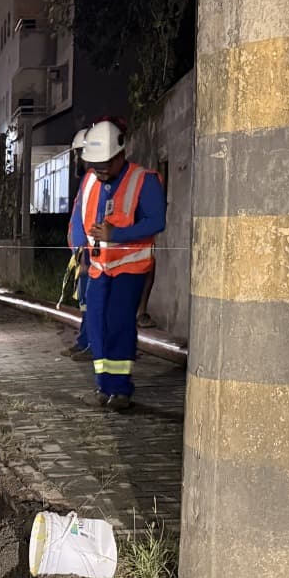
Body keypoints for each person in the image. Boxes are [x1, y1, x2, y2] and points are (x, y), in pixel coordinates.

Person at [75, 120, 165, 411]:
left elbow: (156, 221)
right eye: (94, 163)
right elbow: (80, 215)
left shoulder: (143, 180)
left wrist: (117, 235)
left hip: (129, 268)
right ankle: (103, 384)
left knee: (119, 324)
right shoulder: (90, 180)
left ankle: (120, 388)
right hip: (98, 267)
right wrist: (78, 247)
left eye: (105, 164)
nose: (99, 169)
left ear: (120, 155)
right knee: (97, 326)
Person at [66, 125, 94, 361]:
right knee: (85, 302)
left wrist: (85, 255)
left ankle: (92, 344)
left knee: (92, 302)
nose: (76, 159)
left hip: (90, 255)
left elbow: (90, 219)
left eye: (78, 154)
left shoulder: (94, 181)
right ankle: (85, 341)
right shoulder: (88, 181)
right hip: (83, 254)